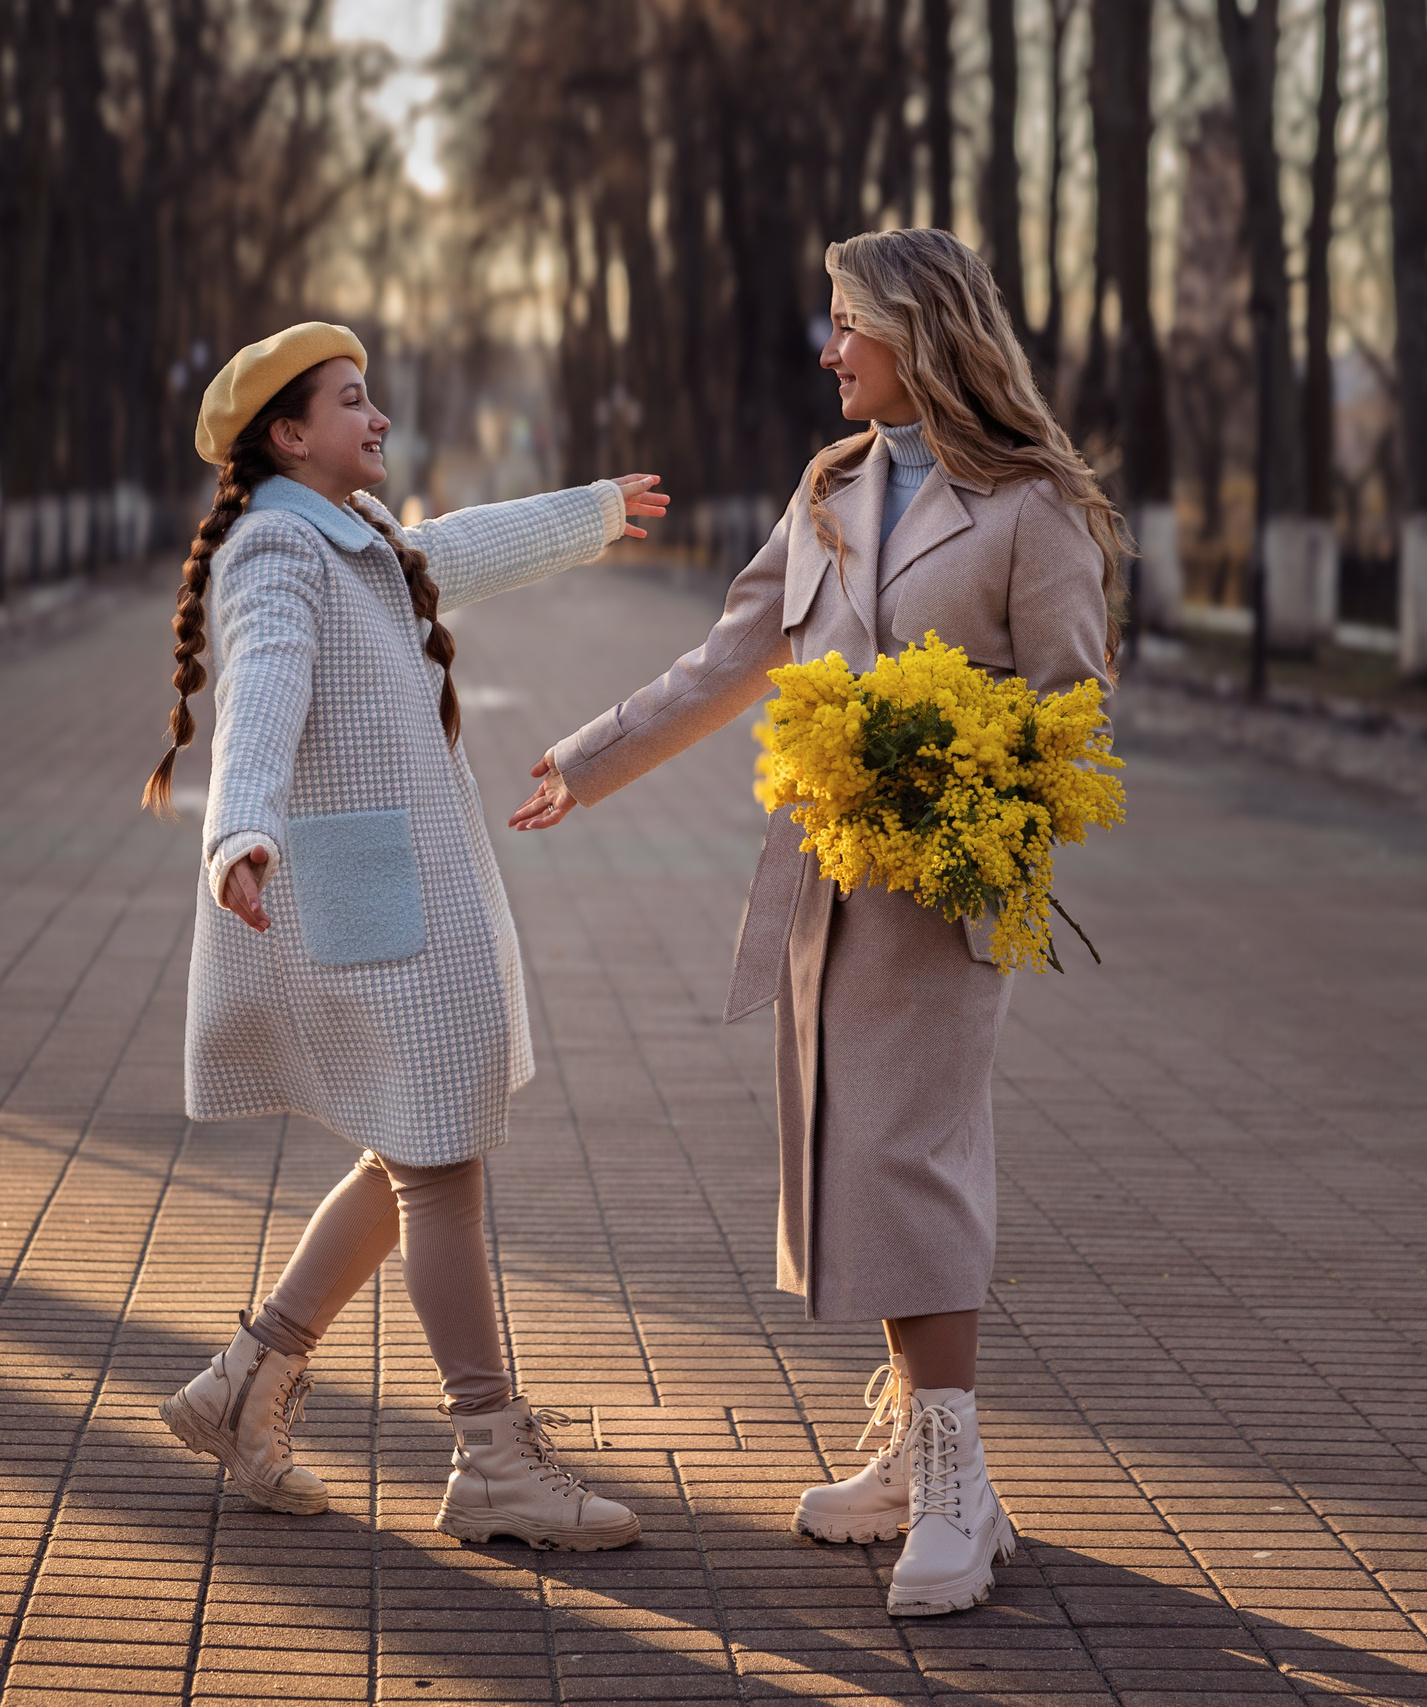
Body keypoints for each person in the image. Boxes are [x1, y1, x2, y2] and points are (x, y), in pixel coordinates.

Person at [508, 229, 1123, 1614]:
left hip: (951, 888)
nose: (829, 349)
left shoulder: (1031, 504)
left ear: (919, 330)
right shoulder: (834, 486)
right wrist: (591, 756)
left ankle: (958, 1483)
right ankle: (915, 1456)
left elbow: (1076, 708)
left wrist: (957, 769)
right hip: (826, 874)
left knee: (914, 1156)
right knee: (856, 1148)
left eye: (846, 323)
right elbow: (735, 650)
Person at [147, 322, 670, 1550]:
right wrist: (239, 831)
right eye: (351, 401)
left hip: (390, 902)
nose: (375, 419)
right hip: (366, 909)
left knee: (411, 1157)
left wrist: (591, 511)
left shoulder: (358, 536)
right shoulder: (277, 550)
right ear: (288, 434)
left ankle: (245, 1383)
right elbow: (261, 690)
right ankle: (491, 1454)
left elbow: (454, 547)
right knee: (438, 1165)